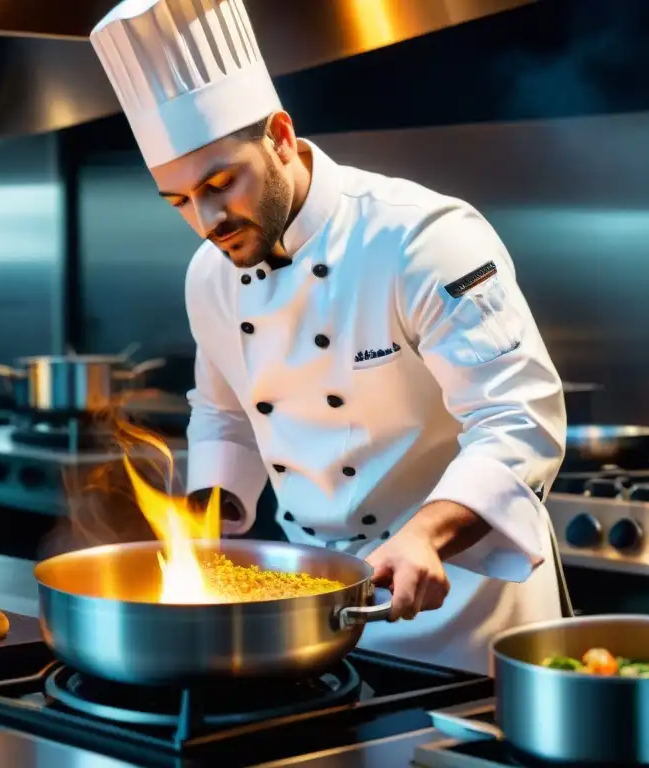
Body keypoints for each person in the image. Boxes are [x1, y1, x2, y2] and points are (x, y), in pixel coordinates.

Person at [90, 0, 569, 674]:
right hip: (310, 607)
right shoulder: (211, 274)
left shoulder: (422, 239)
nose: (207, 221)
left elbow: (518, 418)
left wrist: (424, 538)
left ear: (281, 136)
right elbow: (224, 413)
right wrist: (204, 525)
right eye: (179, 203)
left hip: (459, 608)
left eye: (221, 184)